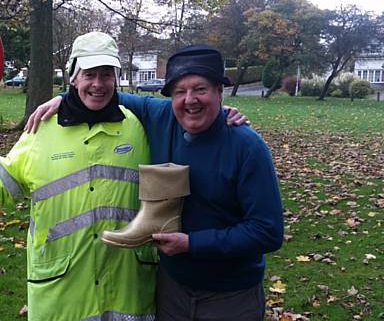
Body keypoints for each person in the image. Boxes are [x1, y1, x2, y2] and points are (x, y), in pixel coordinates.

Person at [26, 44, 284, 320]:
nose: (190, 100)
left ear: (219, 92)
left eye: (200, 89)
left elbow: (267, 232)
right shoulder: (162, 116)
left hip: (230, 296)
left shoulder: (246, 145)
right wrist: (64, 98)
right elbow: (103, 93)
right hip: (171, 290)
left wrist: (191, 244)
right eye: (180, 92)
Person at [0, 32, 159, 321]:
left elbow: (184, 120)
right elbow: (1, 184)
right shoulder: (42, 130)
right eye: (89, 74)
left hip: (128, 289)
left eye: (106, 75)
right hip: (61, 291)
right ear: (73, 77)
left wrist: (222, 116)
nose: (98, 84)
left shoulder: (137, 129)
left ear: (116, 78)